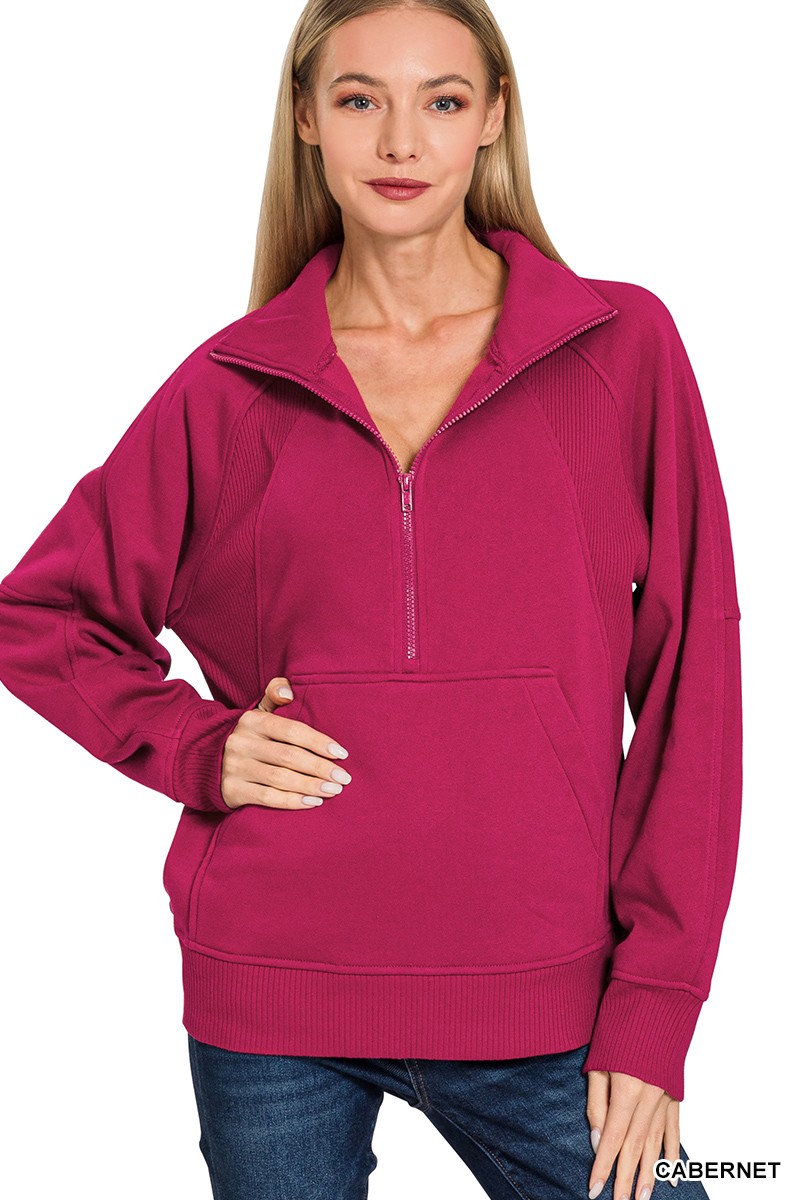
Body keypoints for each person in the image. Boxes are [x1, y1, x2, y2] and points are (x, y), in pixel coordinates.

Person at [0, 1, 742, 1198]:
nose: (400, 141)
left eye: (440, 100)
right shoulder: (230, 386)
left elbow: (692, 683)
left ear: (491, 116)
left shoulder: (617, 350)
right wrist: (196, 746)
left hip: (546, 992)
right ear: (306, 118)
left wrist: (655, 1004)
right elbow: (42, 615)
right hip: (273, 992)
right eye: (358, 100)